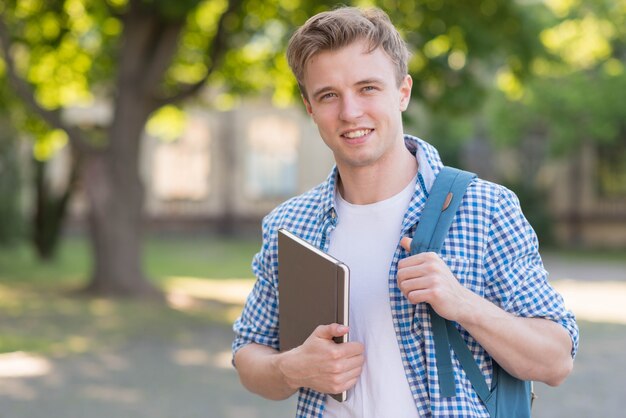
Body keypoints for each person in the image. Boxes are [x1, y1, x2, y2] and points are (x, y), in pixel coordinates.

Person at [232, 6, 578, 418]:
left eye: (368, 88)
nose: (350, 112)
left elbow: (556, 361)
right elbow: (248, 353)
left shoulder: (485, 208)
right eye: (328, 95)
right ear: (310, 107)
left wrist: (463, 303)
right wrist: (291, 368)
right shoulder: (290, 226)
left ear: (403, 92)